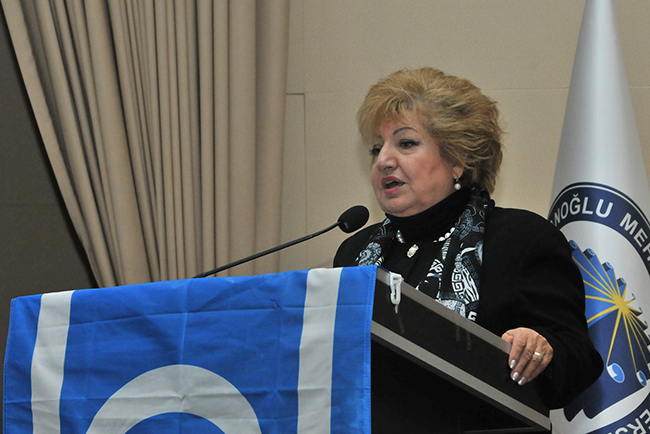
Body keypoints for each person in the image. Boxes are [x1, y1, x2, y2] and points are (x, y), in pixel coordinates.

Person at [334, 67, 602, 418]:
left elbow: (579, 357)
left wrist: (541, 345)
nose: (383, 160)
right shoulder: (354, 252)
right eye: (376, 148)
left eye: (406, 143)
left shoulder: (520, 240)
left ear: (458, 160)